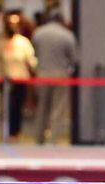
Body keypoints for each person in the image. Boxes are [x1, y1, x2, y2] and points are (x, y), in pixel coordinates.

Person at [31, 10, 77, 145]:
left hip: (42, 75)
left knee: (42, 108)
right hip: (60, 75)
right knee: (58, 110)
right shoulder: (67, 35)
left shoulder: (38, 33)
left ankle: (39, 138)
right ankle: (52, 140)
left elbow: (34, 53)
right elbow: (73, 58)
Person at [0, 10, 36, 141]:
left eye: (16, 23)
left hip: (20, 78)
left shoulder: (23, 42)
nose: (13, 25)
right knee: (6, 106)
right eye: (10, 22)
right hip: (5, 78)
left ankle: (16, 131)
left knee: (17, 106)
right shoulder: (0, 41)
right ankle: (7, 131)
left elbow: (31, 60)